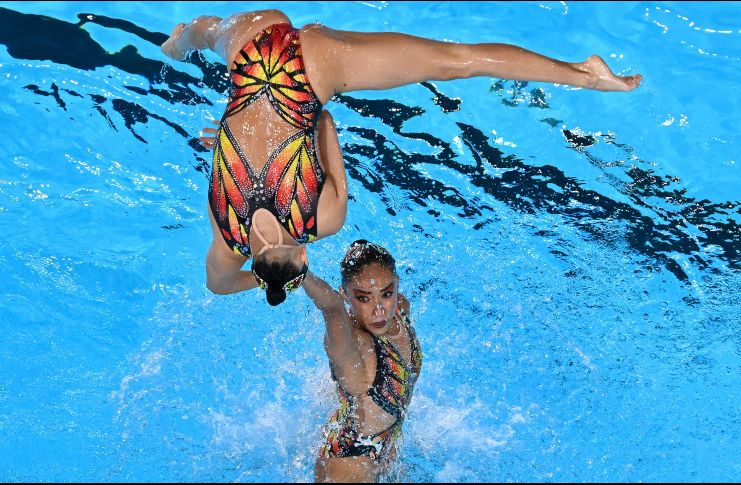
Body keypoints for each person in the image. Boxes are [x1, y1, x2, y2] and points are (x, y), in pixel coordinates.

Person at [161, 9, 642, 305]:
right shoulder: (226, 237)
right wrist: (229, 139)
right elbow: (218, 284)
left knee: (456, 62)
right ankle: (179, 39)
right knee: (206, 32)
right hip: (249, 52)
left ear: (302, 256)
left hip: (308, 72)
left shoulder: (321, 220)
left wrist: (284, 285)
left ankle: (587, 74)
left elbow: (324, 125)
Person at [301, 240, 421, 482]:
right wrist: (300, 273)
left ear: (397, 285)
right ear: (345, 295)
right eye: (363, 298)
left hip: (384, 448)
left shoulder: (400, 309)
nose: (379, 310)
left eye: (387, 293)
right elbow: (331, 307)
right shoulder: (356, 346)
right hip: (346, 467)